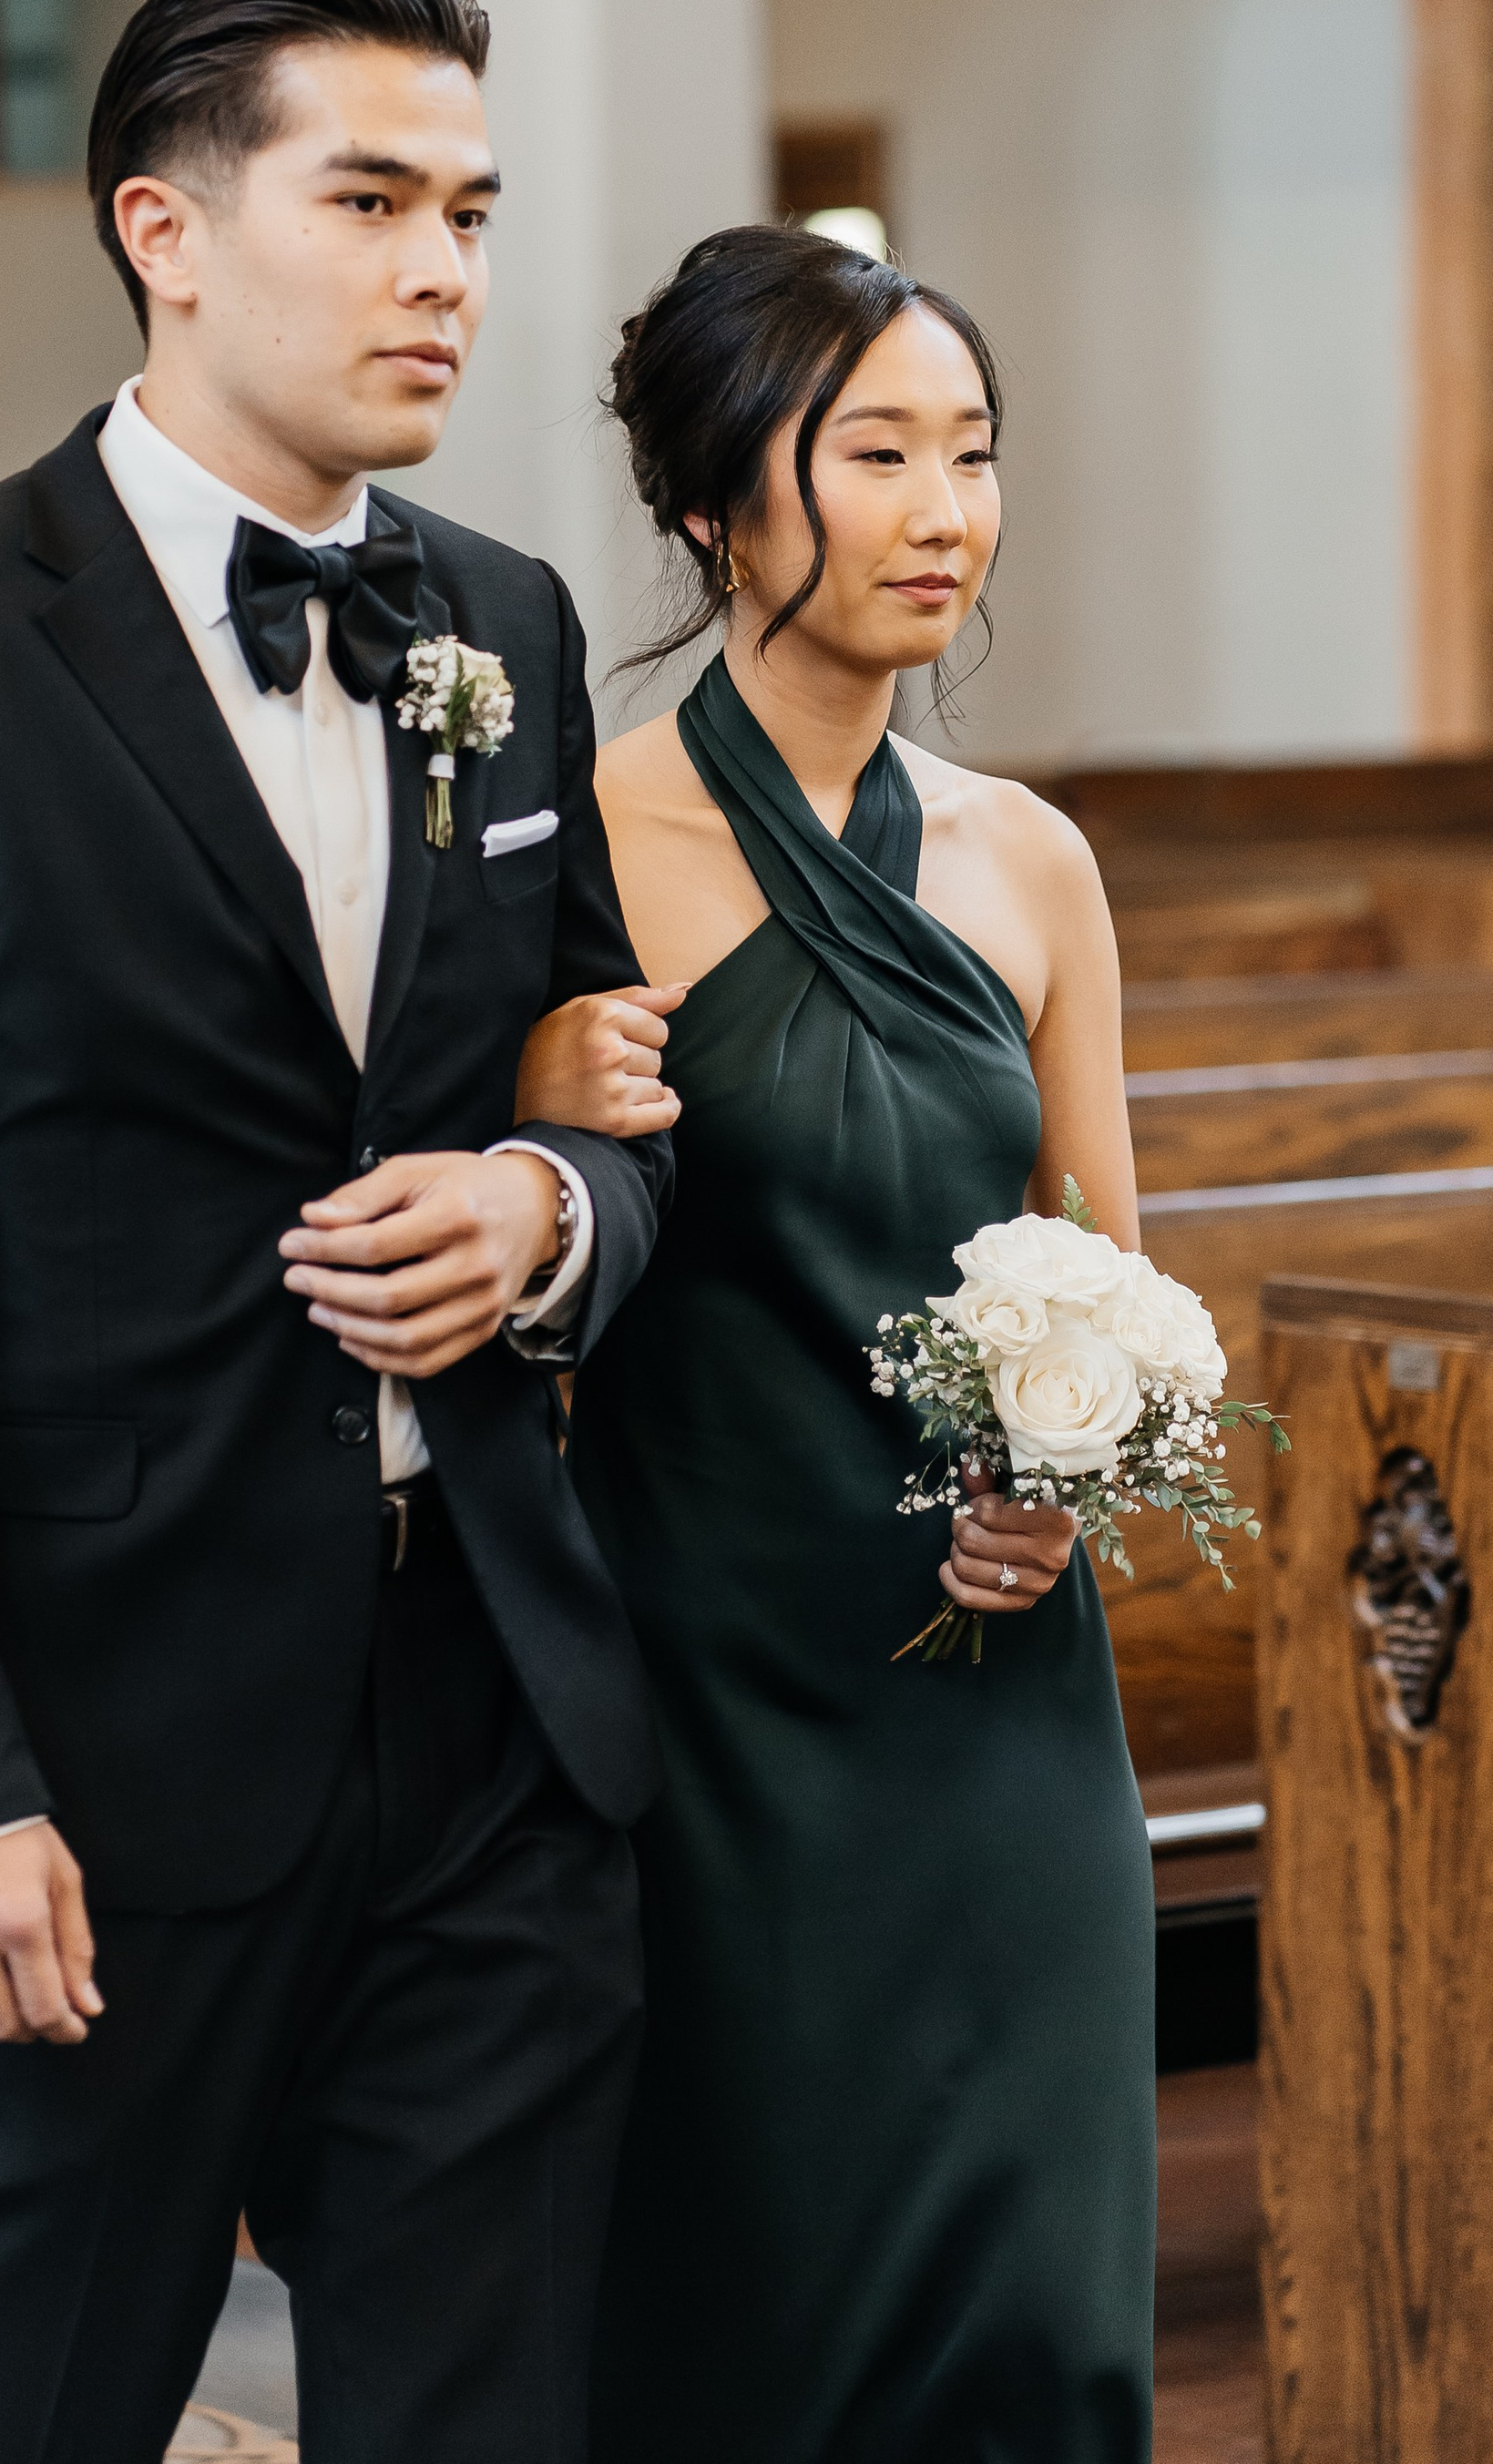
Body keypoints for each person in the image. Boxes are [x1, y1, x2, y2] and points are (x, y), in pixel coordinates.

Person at [0, 0, 674, 2464]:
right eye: (371, 201)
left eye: (471, 209)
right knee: (2, 2422)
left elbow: (607, 1095)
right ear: (167, 228)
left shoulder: (508, 622)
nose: (447, 270)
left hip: (488, 1731)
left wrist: (551, 1215)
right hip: (83, 1755)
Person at [517, 223, 1156, 2464]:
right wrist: (540, 1120)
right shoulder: (574, 843)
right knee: (751, 2302)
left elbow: (1109, 1267)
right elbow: (497, 1287)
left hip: (994, 1710)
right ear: (712, 497)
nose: (939, 511)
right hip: (707, 1685)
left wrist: (1059, 1488)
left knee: (1033, 2291)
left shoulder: (1025, 857)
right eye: (871, 449)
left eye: (968, 453)